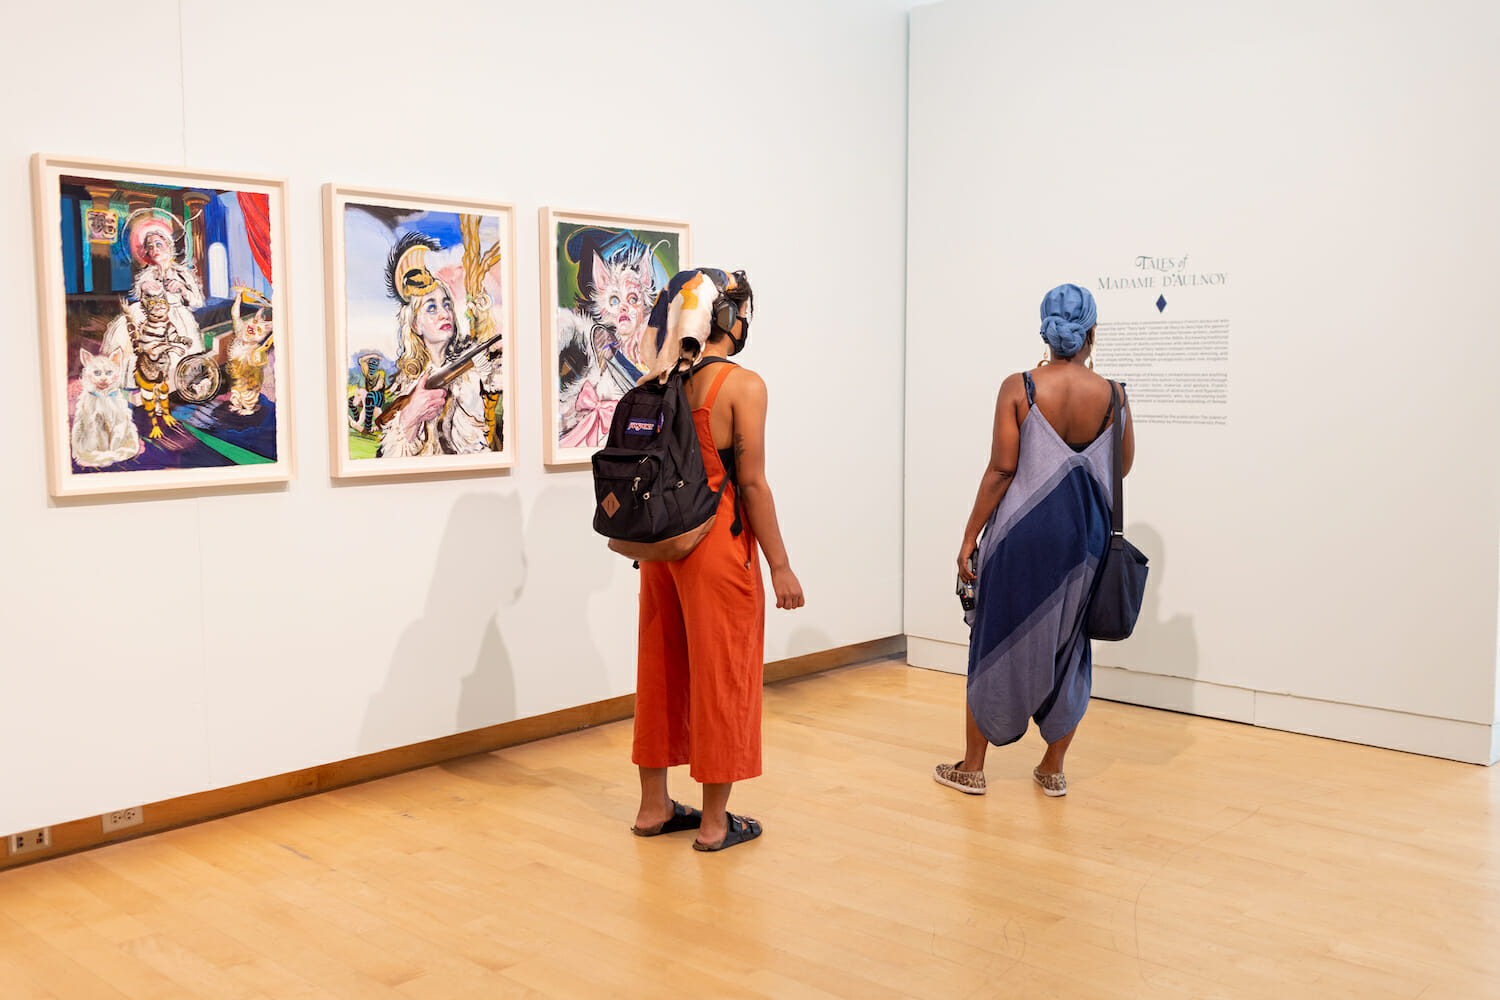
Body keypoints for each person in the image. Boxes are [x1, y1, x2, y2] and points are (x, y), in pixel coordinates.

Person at [935, 283, 1134, 798]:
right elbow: (1122, 467)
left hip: (1020, 539)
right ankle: (1051, 767)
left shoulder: (1019, 387)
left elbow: (1002, 469)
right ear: (1092, 331)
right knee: (1071, 648)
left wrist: (968, 536)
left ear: (1045, 330)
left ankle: (973, 768)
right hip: (1083, 544)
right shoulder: (1114, 395)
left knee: (993, 640)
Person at [629, 268, 804, 852]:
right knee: (722, 672)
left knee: (660, 669)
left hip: (660, 550)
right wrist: (780, 565)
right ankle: (712, 823)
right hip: (715, 549)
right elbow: (751, 485)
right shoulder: (741, 385)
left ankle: (654, 807)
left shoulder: (660, 379)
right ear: (728, 319)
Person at [378, 234, 495, 457]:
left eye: (446, 304)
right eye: (431, 308)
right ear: (415, 324)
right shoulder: (407, 383)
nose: (445, 314)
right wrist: (409, 418)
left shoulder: (471, 370)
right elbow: (392, 459)